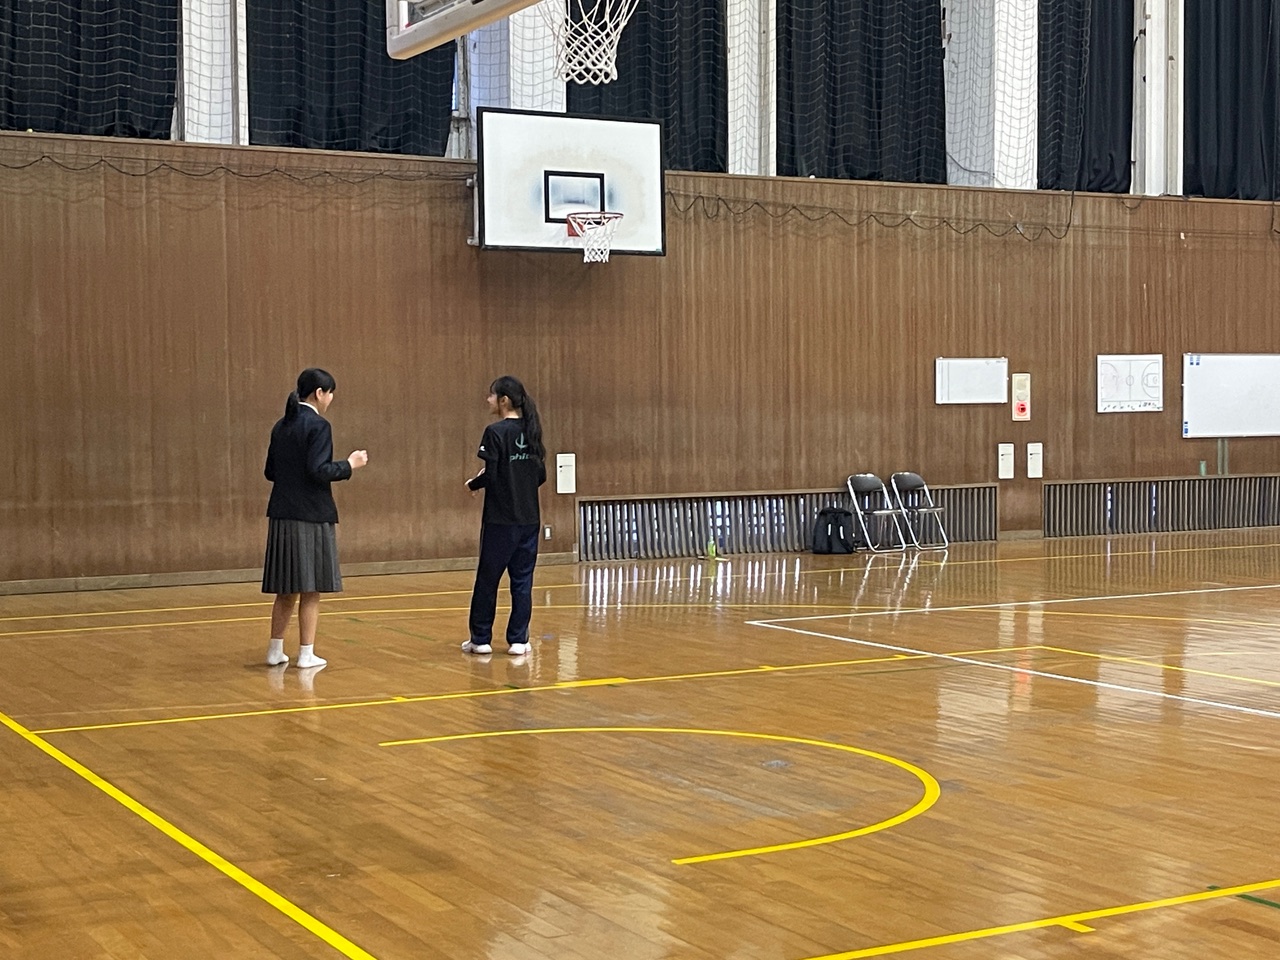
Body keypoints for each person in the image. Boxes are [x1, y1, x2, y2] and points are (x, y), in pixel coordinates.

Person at [262, 368, 368, 669]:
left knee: (286, 587)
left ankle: (275, 650)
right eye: (330, 393)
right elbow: (319, 470)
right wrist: (349, 464)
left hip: (282, 513)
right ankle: (306, 653)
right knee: (311, 588)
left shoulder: (281, 425)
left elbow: (270, 472)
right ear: (319, 393)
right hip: (310, 515)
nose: (331, 399)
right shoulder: (319, 425)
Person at [462, 375, 547, 656]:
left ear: (504, 400)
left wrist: (473, 484)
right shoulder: (531, 429)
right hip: (529, 519)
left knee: (488, 579)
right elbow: (540, 475)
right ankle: (518, 640)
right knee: (522, 581)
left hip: (500, 520)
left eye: (491, 395)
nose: (488, 400)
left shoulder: (495, 432)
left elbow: (493, 474)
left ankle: (481, 639)